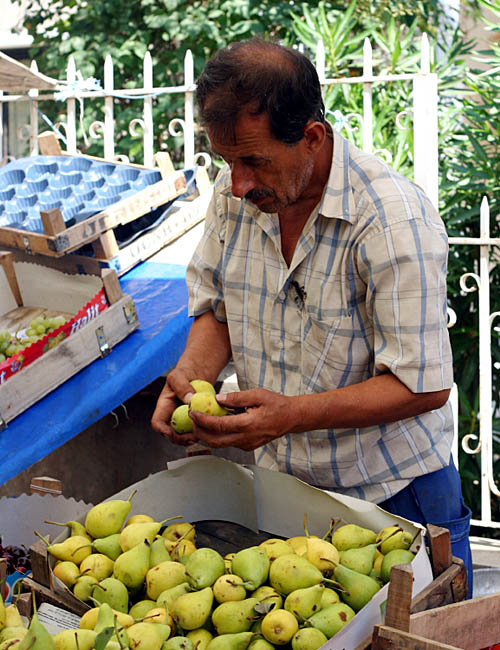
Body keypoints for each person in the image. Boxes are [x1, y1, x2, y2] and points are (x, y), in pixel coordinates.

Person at [151, 37, 473, 595]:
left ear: (312, 137)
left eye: (253, 160)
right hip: (285, 496)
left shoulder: (391, 219)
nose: (239, 183)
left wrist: (290, 415)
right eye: (228, 161)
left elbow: (422, 385)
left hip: (395, 497)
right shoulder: (236, 202)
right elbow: (217, 313)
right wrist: (192, 377)